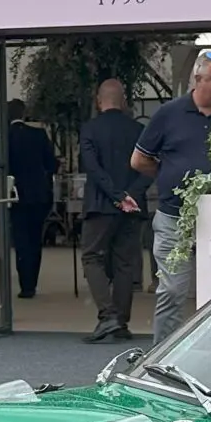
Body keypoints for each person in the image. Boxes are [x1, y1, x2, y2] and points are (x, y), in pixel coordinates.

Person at [131, 47, 211, 342]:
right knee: (173, 291)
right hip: (174, 219)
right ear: (198, 80)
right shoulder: (169, 114)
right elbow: (138, 160)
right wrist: (167, 177)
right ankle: (159, 363)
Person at [77, 77, 145, 341]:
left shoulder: (90, 130)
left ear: (98, 101)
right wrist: (130, 195)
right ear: (124, 101)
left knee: (92, 257)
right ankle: (122, 321)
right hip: (132, 206)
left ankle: (108, 316)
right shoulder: (138, 130)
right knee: (125, 264)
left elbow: (93, 168)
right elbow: (151, 167)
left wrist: (116, 196)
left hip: (100, 205)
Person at [4, 100, 57, 299]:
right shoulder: (38, 135)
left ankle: (25, 284)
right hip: (38, 194)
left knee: (21, 240)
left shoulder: (3, 138)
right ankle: (32, 282)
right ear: (24, 113)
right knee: (35, 239)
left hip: (14, 194)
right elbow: (51, 164)